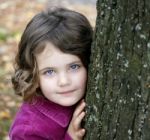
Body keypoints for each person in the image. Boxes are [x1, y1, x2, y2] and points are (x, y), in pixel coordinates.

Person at [9, 7, 93, 140]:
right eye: (49, 72)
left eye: (74, 66)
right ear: (33, 75)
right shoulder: (27, 131)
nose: (64, 81)